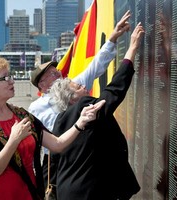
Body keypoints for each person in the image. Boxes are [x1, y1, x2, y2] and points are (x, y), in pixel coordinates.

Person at [0, 58, 105, 200]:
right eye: (5, 78)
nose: (12, 81)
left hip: (29, 194)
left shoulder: (22, 115)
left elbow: (57, 144)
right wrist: (13, 140)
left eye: (11, 77)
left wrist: (80, 122)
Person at [28, 10, 132, 191]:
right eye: (53, 74)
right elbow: (33, 140)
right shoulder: (36, 108)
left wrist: (113, 37)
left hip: (81, 152)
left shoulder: (73, 87)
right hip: (55, 159)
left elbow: (97, 65)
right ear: (42, 85)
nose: (59, 74)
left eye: (57, 71)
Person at [47, 23, 144, 200]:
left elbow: (53, 162)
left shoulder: (60, 121)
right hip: (89, 192)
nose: (84, 86)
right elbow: (115, 90)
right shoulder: (86, 106)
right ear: (72, 98)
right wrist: (132, 49)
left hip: (66, 192)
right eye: (78, 87)